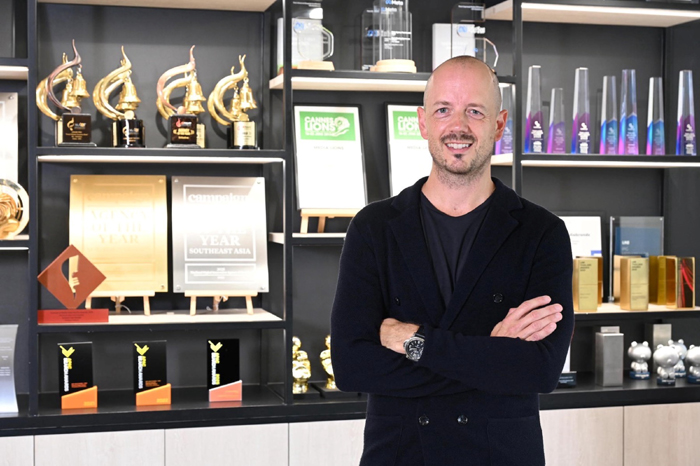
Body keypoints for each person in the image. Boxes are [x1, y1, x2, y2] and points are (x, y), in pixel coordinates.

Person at [330, 55, 574, 466]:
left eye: (475, 111)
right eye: (443, 110)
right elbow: (352, 366)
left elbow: (540, 370)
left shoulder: (541, 233)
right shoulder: (373, 228)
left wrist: (413, 341)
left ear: (499, 124)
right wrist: (492, 355)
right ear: (423, 122)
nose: (457, 126)